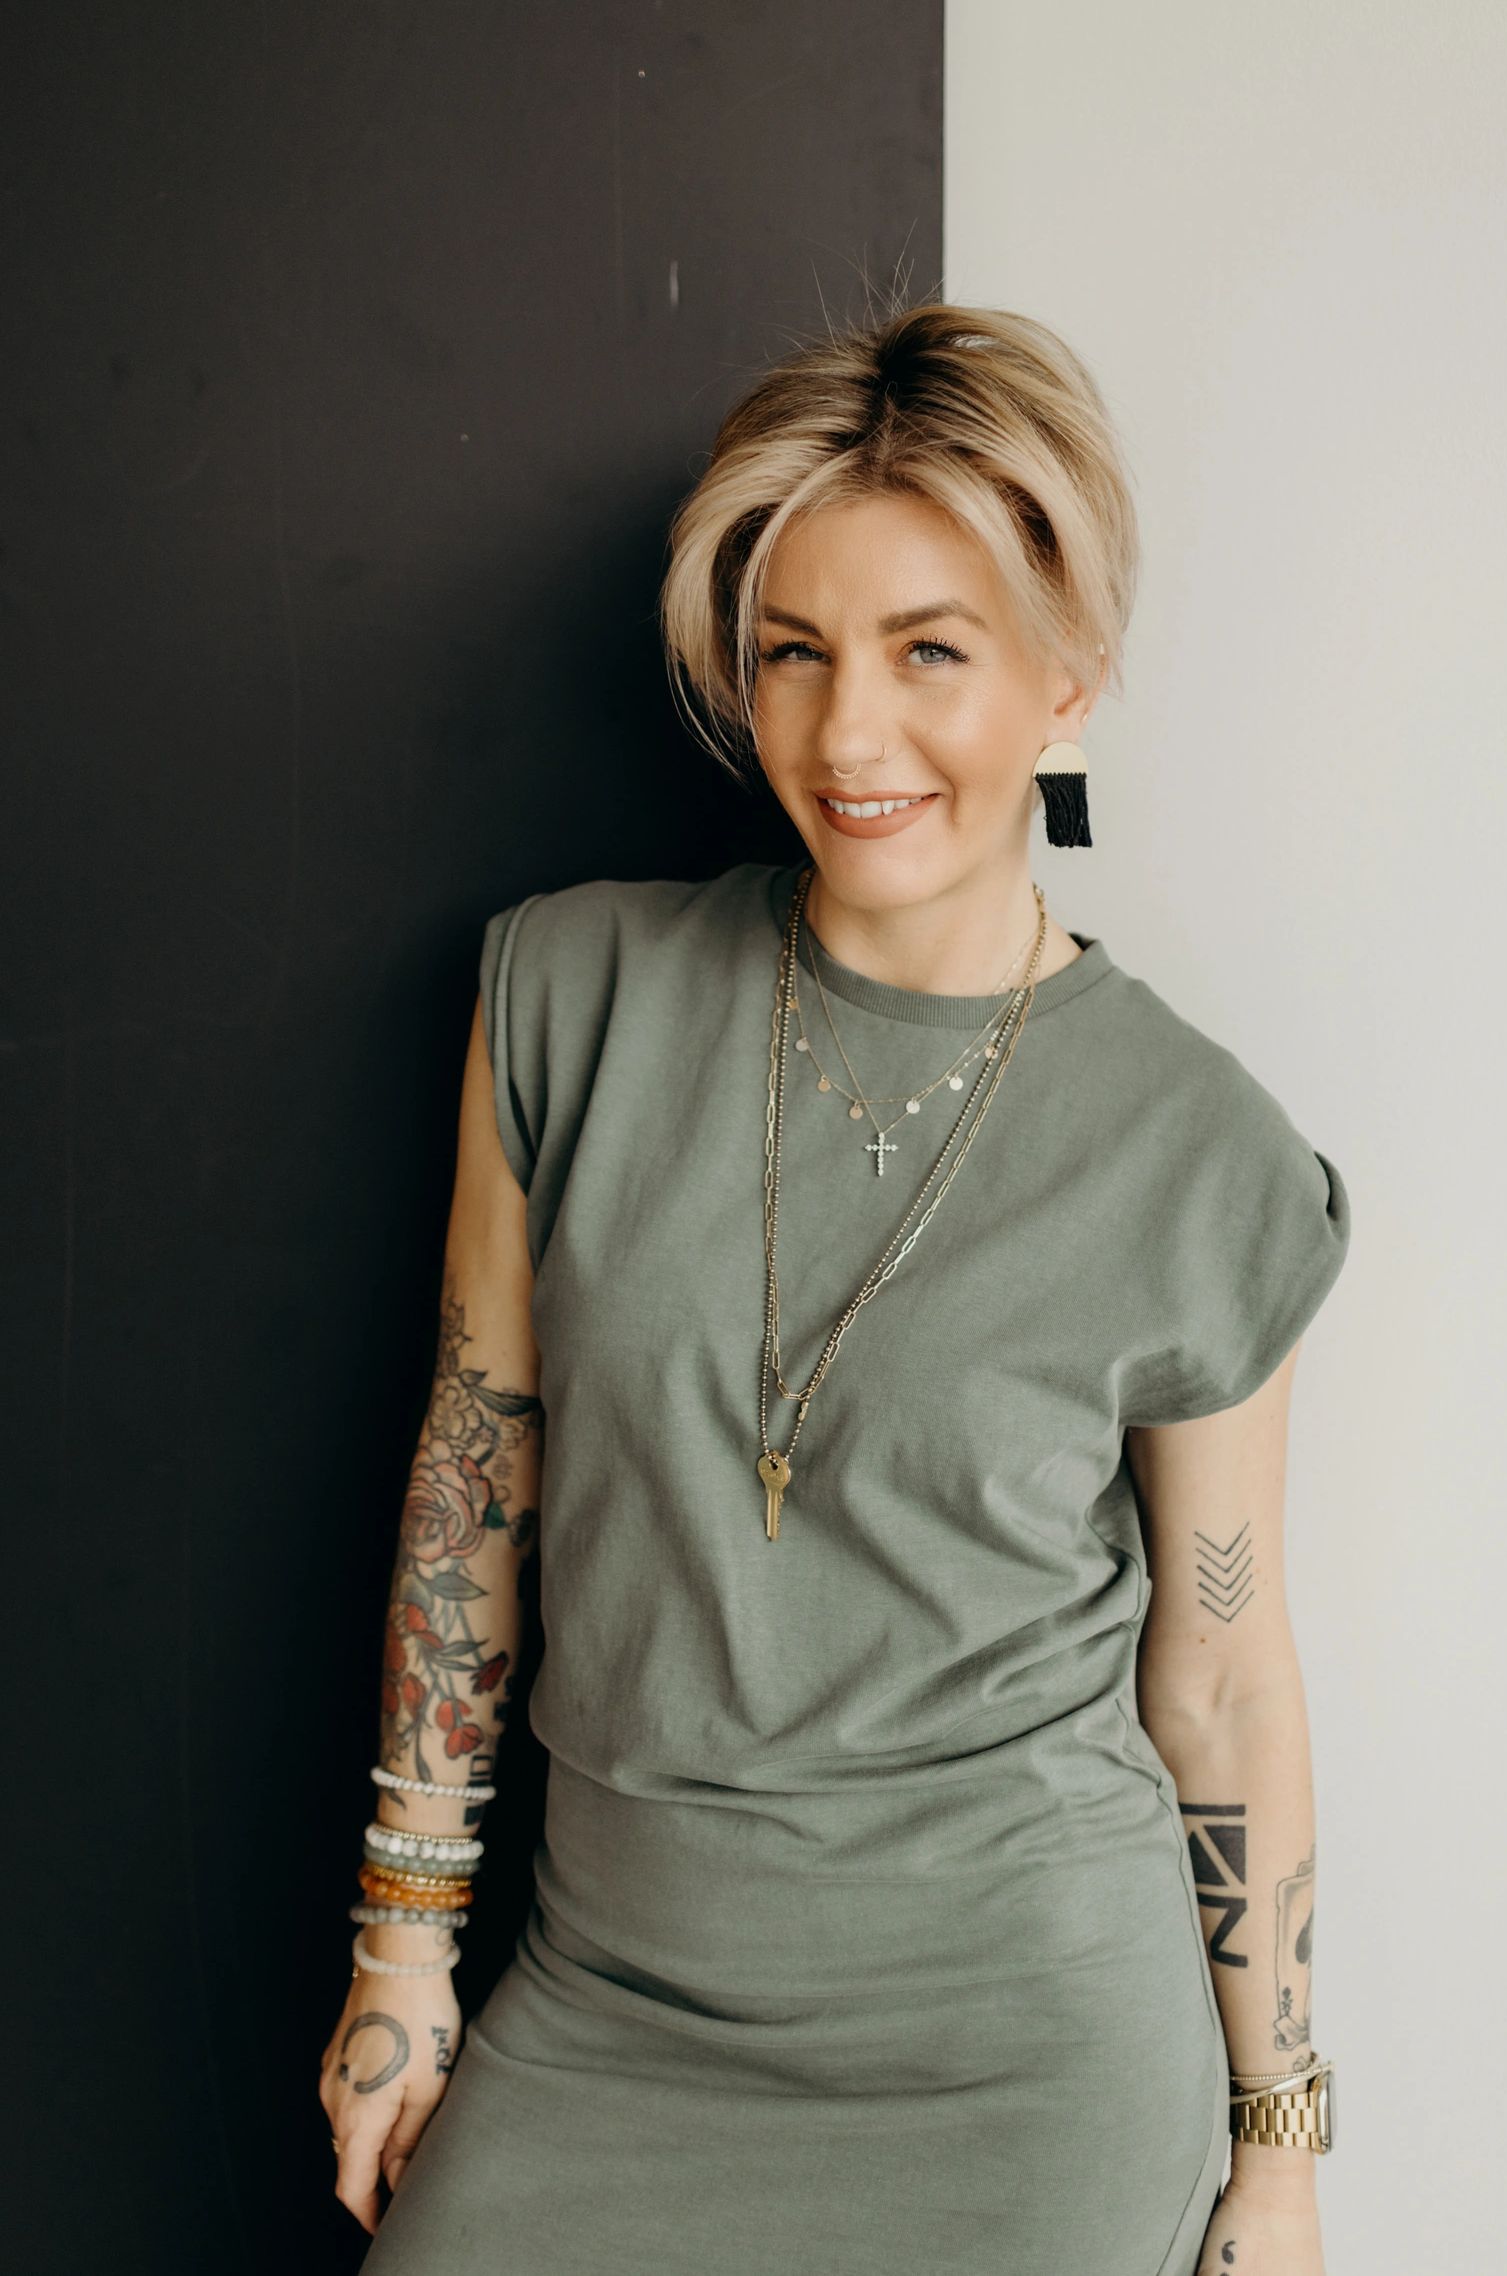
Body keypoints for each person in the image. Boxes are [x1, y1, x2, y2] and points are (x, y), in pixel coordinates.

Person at [319, 300, 1350, 2276]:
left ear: (1068, 677)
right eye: (792, 652)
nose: (845, 736)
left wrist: (1279, 2156)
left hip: (1029, 2061)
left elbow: (1221, 1676)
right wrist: (404, 1946)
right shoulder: (570, 1000)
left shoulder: (1200, 1153)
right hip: (610, 2004)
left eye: (927, 652)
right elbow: (475, 1479)